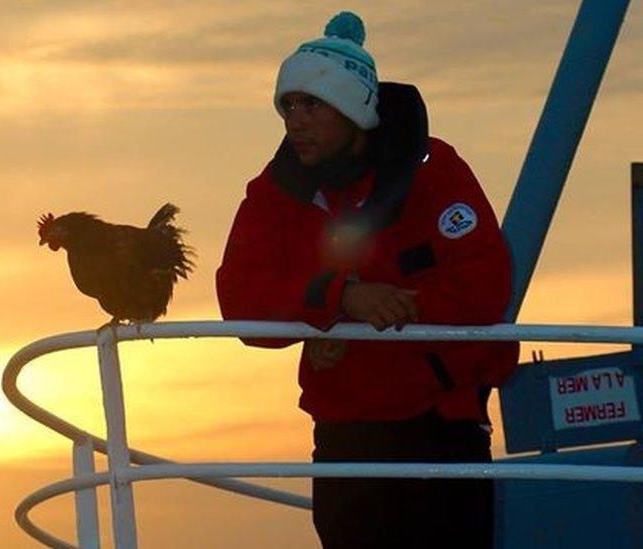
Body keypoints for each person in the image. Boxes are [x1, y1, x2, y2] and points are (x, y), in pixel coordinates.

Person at [215, 11, 520, 549]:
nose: (294, 120)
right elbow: (240, 300)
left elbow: (484, 287)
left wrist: (351, 324)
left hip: (441, 431)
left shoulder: (433, 171)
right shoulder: (274, 193)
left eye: (311, 104)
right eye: (287, 105)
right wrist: (341, 301)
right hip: (346, 437)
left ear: (354, 108)